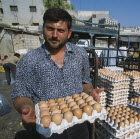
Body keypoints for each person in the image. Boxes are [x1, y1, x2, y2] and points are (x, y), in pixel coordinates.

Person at [11, 8, 103, 139]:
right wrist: (26, 107)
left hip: (79, 122)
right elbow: (19, 94)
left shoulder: (80, 54)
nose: (54, 35)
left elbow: (85, 82)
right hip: (48, 128)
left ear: (69, 33)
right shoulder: (29, 60)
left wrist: (90, 92)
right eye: (50, 29)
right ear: (43, 29)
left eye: (60, 30)